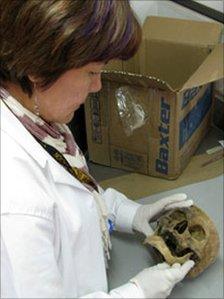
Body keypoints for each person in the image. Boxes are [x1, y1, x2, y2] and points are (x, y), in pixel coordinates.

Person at [0, 0, 195, 298]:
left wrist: (131, 213)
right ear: (37, 69)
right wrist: (136, 293)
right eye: (91, 72)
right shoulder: (17, 205)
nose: (98, 87)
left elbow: (75, 192)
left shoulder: (34, 116)